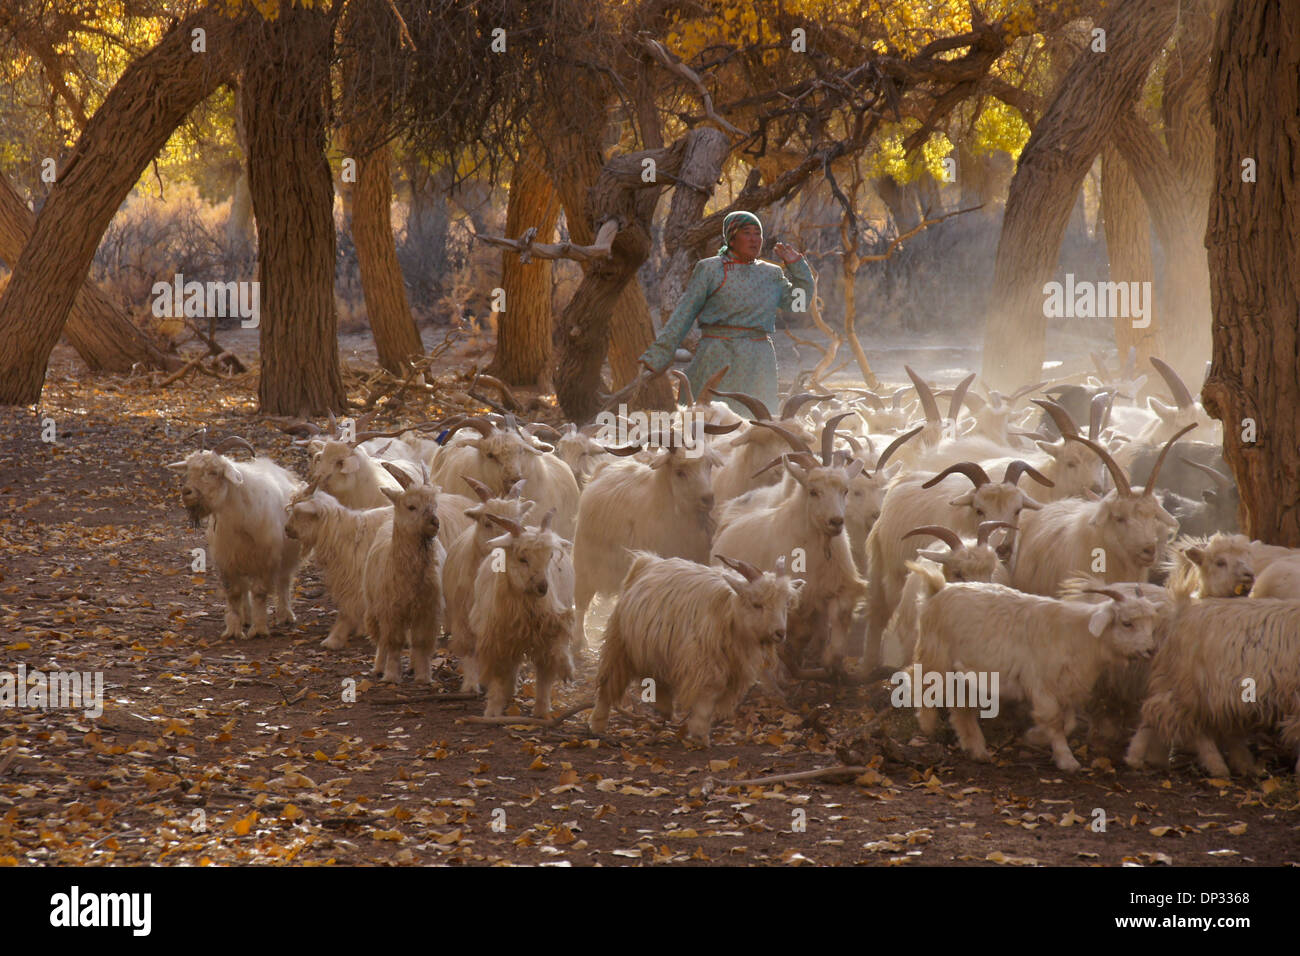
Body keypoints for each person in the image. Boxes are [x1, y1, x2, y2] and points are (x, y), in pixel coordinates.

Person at [638, 211, 814, 418]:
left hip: (758, 361)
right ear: (731, 238)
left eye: (758, 234)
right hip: (717, 355)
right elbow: (683, 315)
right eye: (746, 233)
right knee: (705, 422)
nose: (754, 239)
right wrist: (657, 357)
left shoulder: (771, 274)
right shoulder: (710, 269)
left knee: (757, 426)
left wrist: (798, 267)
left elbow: (799, 304)